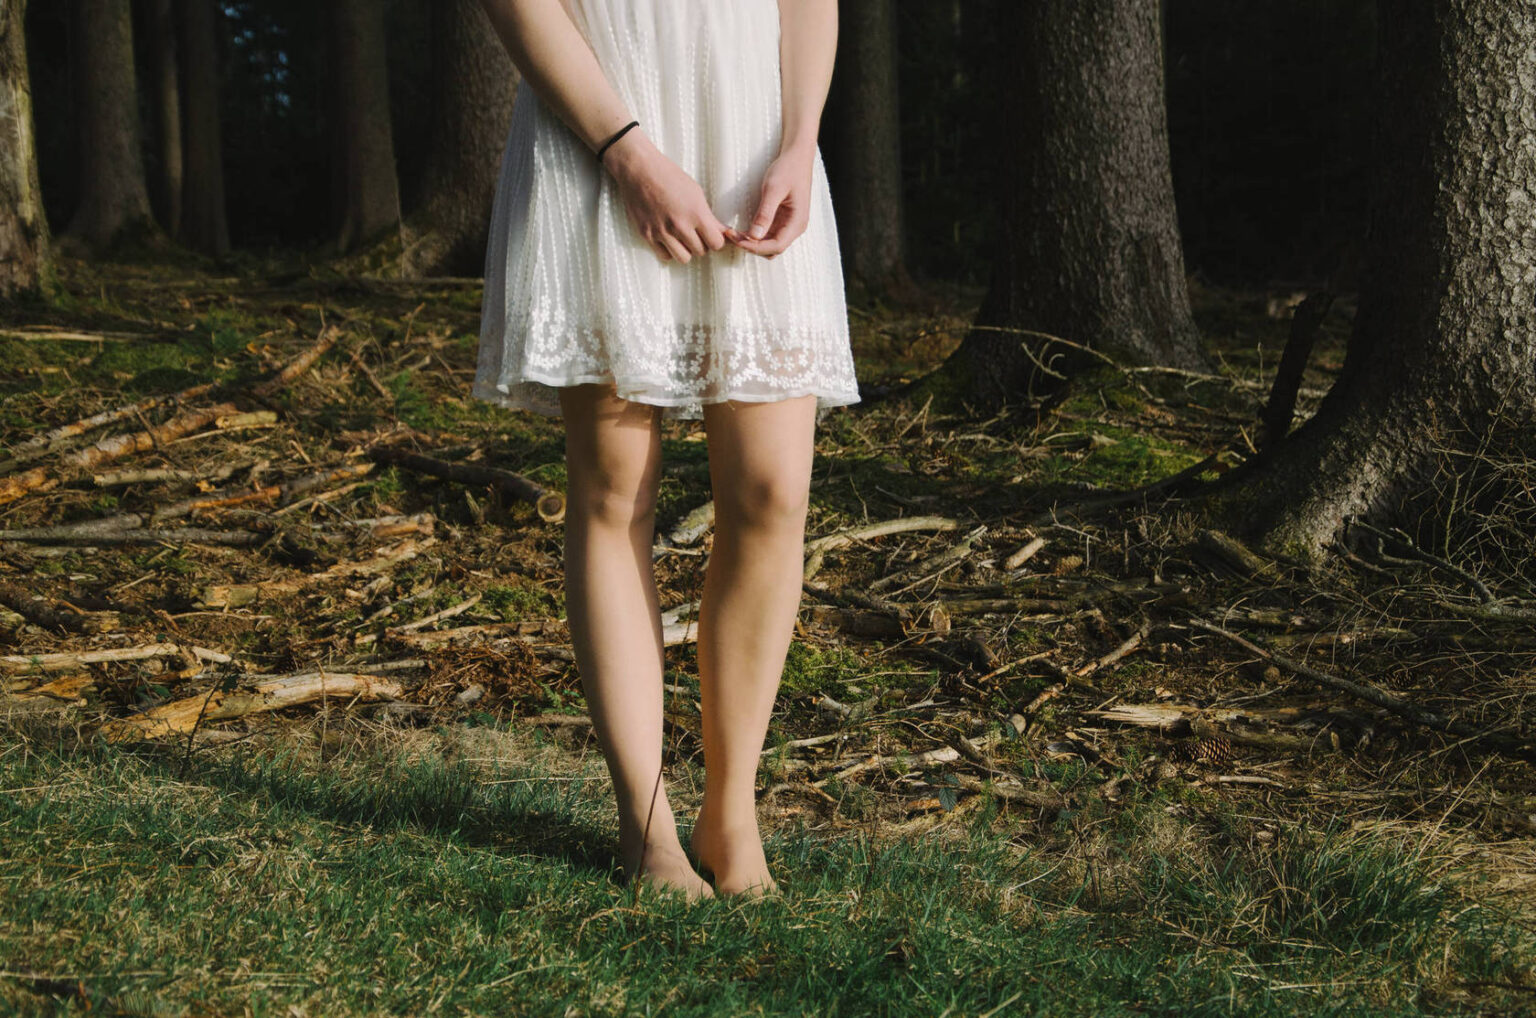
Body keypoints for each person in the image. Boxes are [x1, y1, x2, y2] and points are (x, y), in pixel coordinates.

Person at [473, 0, 859, 900]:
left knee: (772, 493)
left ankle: (732, 815)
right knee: (615, 491)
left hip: (752, 132)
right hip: (604, 126)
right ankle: (645, 829)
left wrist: (800, 137)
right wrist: (627, 153)